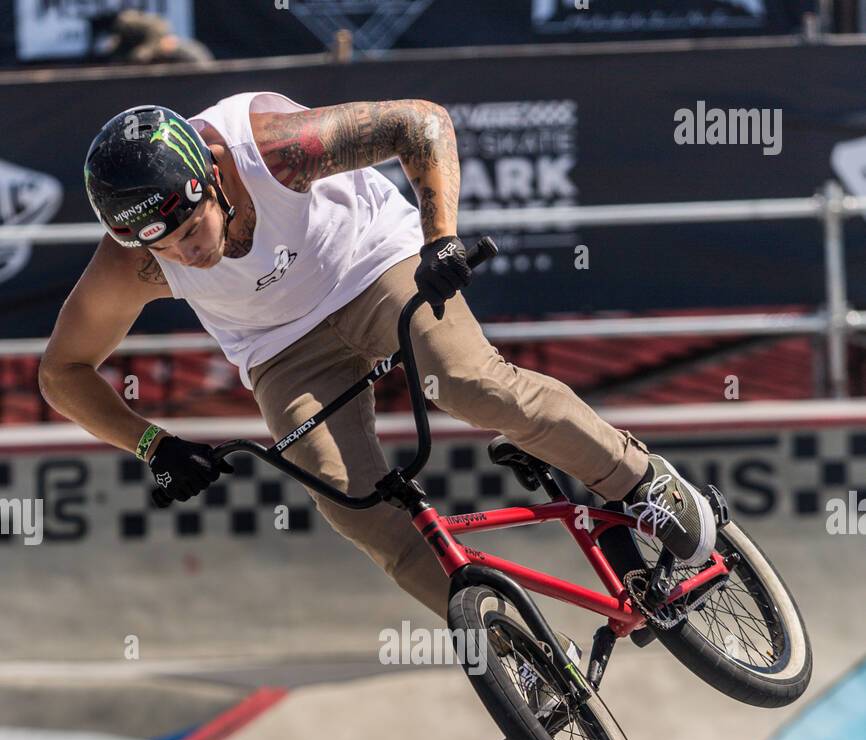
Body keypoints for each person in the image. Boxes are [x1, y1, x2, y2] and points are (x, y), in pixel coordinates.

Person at [39, 94, 715, 623]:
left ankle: (641, 482)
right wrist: (152, 444)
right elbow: (60, 374)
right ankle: (505, 645)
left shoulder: (273, 149)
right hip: (281, 349)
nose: (188, 254)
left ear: (211, 178)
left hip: (372, 265)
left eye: (192, 231)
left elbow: (419, 124)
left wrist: (441, 239)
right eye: (166, 248)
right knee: (351, 503)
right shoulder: (131, 264)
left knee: (469, 385)